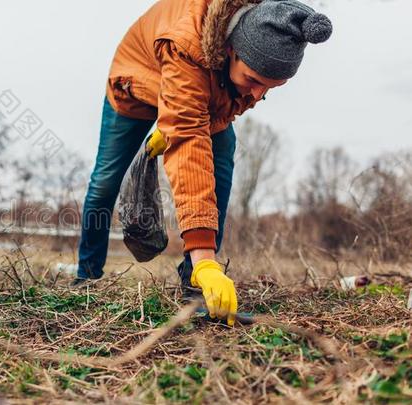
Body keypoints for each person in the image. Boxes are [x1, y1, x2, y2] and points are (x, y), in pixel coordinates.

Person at [75, 0, 332, 326]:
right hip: (137, 83)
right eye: (253, 80)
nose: (257, 93)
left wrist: (177, 123)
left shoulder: (258, 46)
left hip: (201, 91)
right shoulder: (188, 43)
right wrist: (178, 126)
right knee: (107, 179)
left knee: (222, 156)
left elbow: (216, 112)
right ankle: (86, 276)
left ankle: (195, 284)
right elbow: (189, 149)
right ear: (230, 50)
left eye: (271, 87)